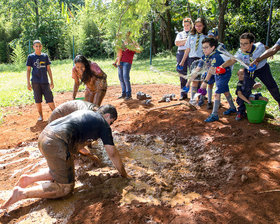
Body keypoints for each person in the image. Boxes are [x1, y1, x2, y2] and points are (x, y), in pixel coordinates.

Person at [0, 104, 129, 210]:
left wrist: (90, 156)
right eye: (111, 122)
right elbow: (112, 153)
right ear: (107, 116)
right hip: (56, 142)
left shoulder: (87, 114)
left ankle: (28, 179)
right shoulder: (103, 124)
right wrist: (123, 173)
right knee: (66, 188)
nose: (110, 126)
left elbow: (77, 144)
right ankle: (22, 193)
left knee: (65, 169)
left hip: (45, 136)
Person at [218, 33, 280, 117]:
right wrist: (222, 66)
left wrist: (269, 51)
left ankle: (279, 101)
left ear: (252, 43)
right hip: (249, 71)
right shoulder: (239, 52)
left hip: (263, 68)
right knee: (244, 89)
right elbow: (232, 60)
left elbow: (265, 47)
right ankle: (241, 111)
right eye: (241, 43)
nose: (242, 46)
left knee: (272, 86)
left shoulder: (259, 46)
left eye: (245, 43)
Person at [197, 37, 236, 122]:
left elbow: (211, 70)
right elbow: (201, 67)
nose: (204, 49)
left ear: (213, 47)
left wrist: (205, 82)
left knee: (217, 93)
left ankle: (214, 114)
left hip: (225, 73)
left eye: (206, 47)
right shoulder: (207, 56)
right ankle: (233, 107)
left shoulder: (215, 56)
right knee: (225, 91)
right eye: (203, 47)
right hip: (218, 73)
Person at [179, 18, 208, 103]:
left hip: (202, 59)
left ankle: (202, 98)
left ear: (203, 26)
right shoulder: (191, 36)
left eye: (200, 26)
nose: (198, 27)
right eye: (196, 26)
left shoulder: (206, 37)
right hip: (192, 60)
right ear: (194, 26)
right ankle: (193, 99)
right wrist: (182, 61)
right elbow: (187, 49)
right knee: (194, 80)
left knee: (202, 80)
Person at [26, 40, 55, 121]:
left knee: (49, 99)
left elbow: (49, 69)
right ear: (33, 47)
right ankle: (41, 116)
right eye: (36, 46)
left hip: (45, 81)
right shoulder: (30, 57)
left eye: (39, 46)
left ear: (41, 46)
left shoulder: (45, 56)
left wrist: (52, 81)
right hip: (35, 82)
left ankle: (56, 115)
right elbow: (28, 70)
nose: (38, 48)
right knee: (38, 100)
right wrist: (28, 83)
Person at [115, 31, 142, 100]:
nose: (126, 35)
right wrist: (116, 61)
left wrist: (132, 48)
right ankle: (123, 93)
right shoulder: (122, 42)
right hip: (120, 62)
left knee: (125, 77)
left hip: (127, 61)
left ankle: (128, 94)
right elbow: (119, 53)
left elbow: (139, 50)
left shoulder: (133, 42)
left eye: (127, 34)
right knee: (121, 78)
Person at [175, 17, 193, 100]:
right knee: (182, 73)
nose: (186, 26)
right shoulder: (180, 34)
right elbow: (177, 43)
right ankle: (183, 93)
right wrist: (187, 40)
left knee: (194, 72)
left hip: (191, 53)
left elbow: (191, 43)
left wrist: (182, 42)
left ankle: (198, 94)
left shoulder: (193, 33)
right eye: (184, 25)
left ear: (191, 25)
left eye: (188, 25)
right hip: (181, 53)